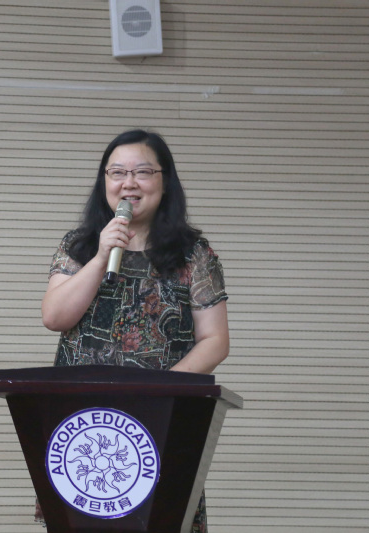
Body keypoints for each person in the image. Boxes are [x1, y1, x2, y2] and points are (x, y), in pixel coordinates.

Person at [38, 129, 230, 532]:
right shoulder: (80, 246)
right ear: (104, 181)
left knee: (160, 518)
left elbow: (215, 341)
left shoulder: (193, 254)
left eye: (142, 172)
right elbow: (55, 317)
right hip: (85, 421)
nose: (129, 183)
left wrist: (160, 394)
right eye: (117, 172)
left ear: (165, 181)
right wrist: (101, 255)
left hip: (161, 418)